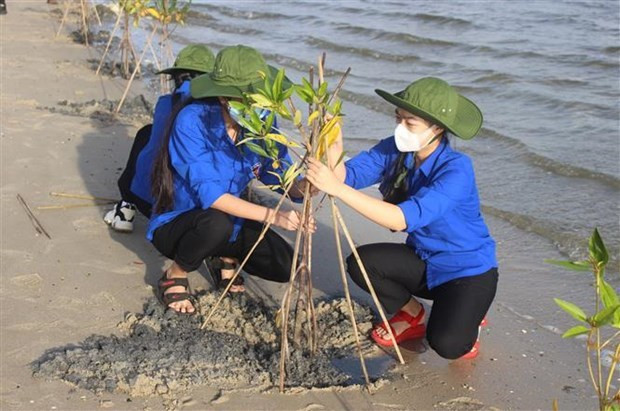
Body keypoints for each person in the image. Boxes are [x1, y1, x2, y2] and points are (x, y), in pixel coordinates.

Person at [306, 77, 498, 359]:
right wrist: (334, 139)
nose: (400, 128)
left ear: (438, 128)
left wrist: (336, 189)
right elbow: (347, 175)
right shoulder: (396, 151)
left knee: (449, 345)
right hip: (424, 258)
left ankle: (470, 315)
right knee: (362, 264)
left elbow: (400, 220)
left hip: (466, 269)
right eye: (398, 119)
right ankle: (412, 313)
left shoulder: (457, 169)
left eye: (411, 123)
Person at [149, 45, 313, 314]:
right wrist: (275, 216)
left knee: (286, 267)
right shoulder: (192, 121)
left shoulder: (262, 124)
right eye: (248, 98)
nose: (257, 106)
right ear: (224, 97)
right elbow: (211, 197)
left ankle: (223, 255)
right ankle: (175, 273)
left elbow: (281, 178)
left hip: (232, 221)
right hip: (182, 223)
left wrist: (309, 184)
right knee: (215, 224)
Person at [104, 44, 215, 232]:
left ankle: (126, 207)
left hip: (150, 203)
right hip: (201, 207)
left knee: (146, 134)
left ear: (176, 77)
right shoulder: (217, 114)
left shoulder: (165, 103)